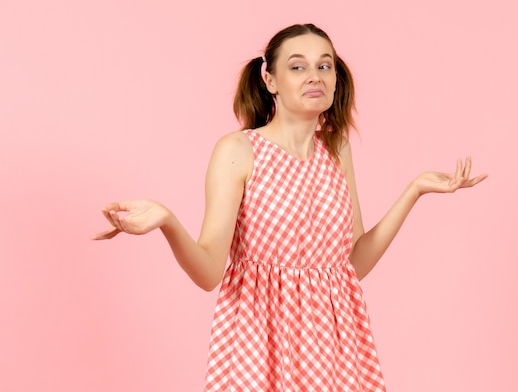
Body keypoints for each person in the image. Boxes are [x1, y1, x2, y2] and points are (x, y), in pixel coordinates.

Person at [93, 23, 487, 391]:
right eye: (297, 66)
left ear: (336, 79)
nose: (314, 75)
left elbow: (351, 265)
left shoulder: (336, 149)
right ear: (270, 80)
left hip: (334, 346)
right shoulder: (239, 150)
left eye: (324, 65)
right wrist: (167, 221)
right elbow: (210, 271)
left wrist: (414, 191)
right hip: (257, 342)